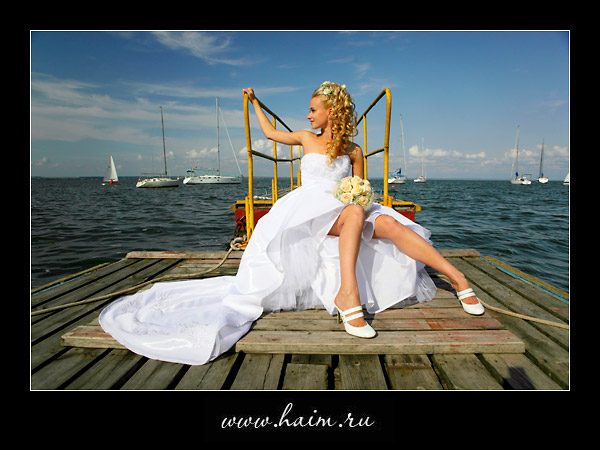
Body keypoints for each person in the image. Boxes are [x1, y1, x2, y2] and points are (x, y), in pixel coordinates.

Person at [99, 82, 483, 365]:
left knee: (389, 224)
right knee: (353, 214)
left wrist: (362, 199)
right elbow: (269, 134)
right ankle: (347, 295)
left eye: (313, 109)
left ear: (332, 111)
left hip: (346, 206)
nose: (308, 115)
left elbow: (362, 188)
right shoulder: (304, 138)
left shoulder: (354, 150)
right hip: (310, 209)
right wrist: (253, 102)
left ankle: (458, 279)